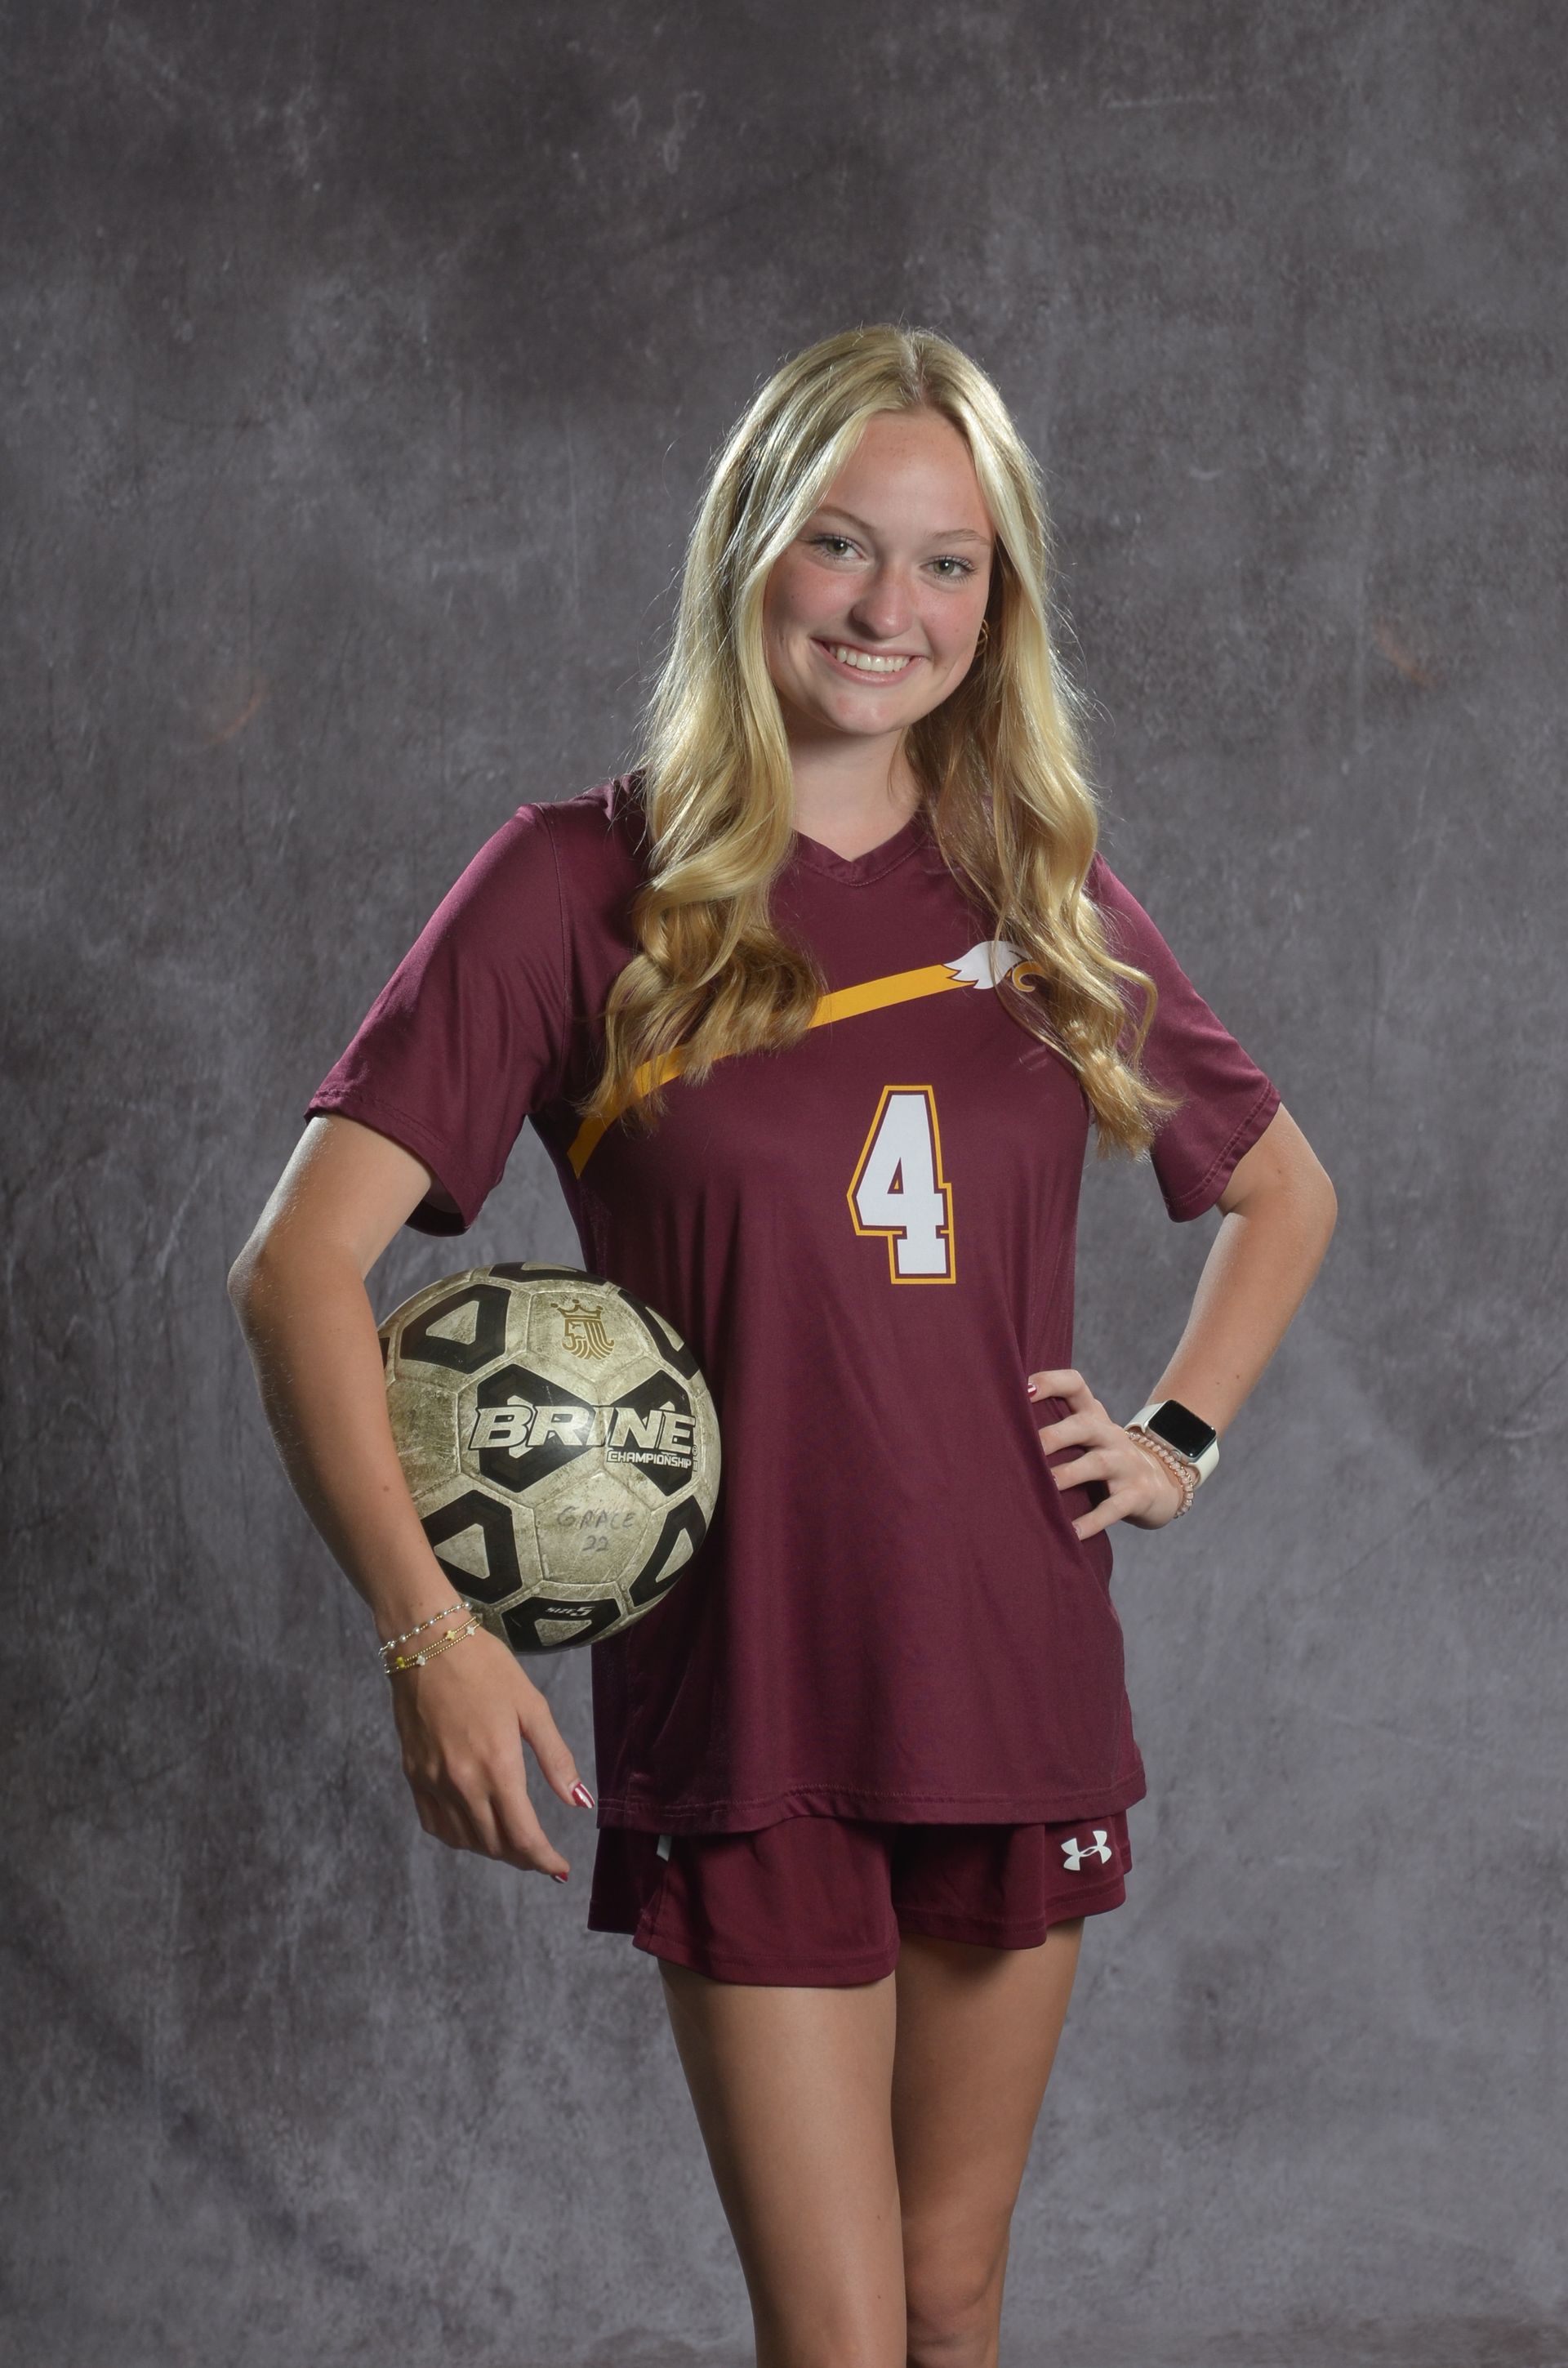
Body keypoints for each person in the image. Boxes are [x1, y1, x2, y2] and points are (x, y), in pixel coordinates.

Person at [228, 323, 1336, 2368]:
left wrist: (1178, 1429)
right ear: (751, 546)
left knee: (949, 2300)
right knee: (834, 2338)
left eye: (949, 564)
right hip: (746, 1696)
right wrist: (430, 1632)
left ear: (999, 601)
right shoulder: (580, 884)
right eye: (844, 545)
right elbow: (297, 1272)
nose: (888, 609)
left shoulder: (1038, 885)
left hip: (1011, 1659)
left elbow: (1284, 1192)